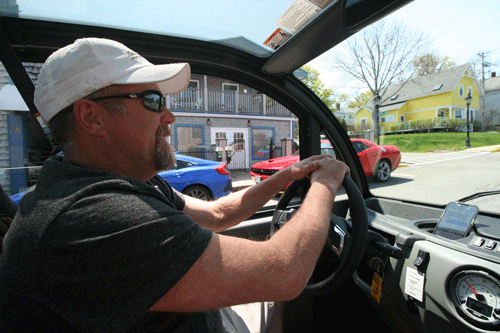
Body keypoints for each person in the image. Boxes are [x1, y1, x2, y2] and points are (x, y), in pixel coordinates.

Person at [0, 38, 350, 332]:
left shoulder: (128, 183)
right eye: (152, 101)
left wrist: (287, 176)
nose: (169, 117)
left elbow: (218, 212)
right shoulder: (91, 216)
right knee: (288, 298)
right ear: (92, 117)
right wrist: (325, 184)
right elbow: (284, 272)